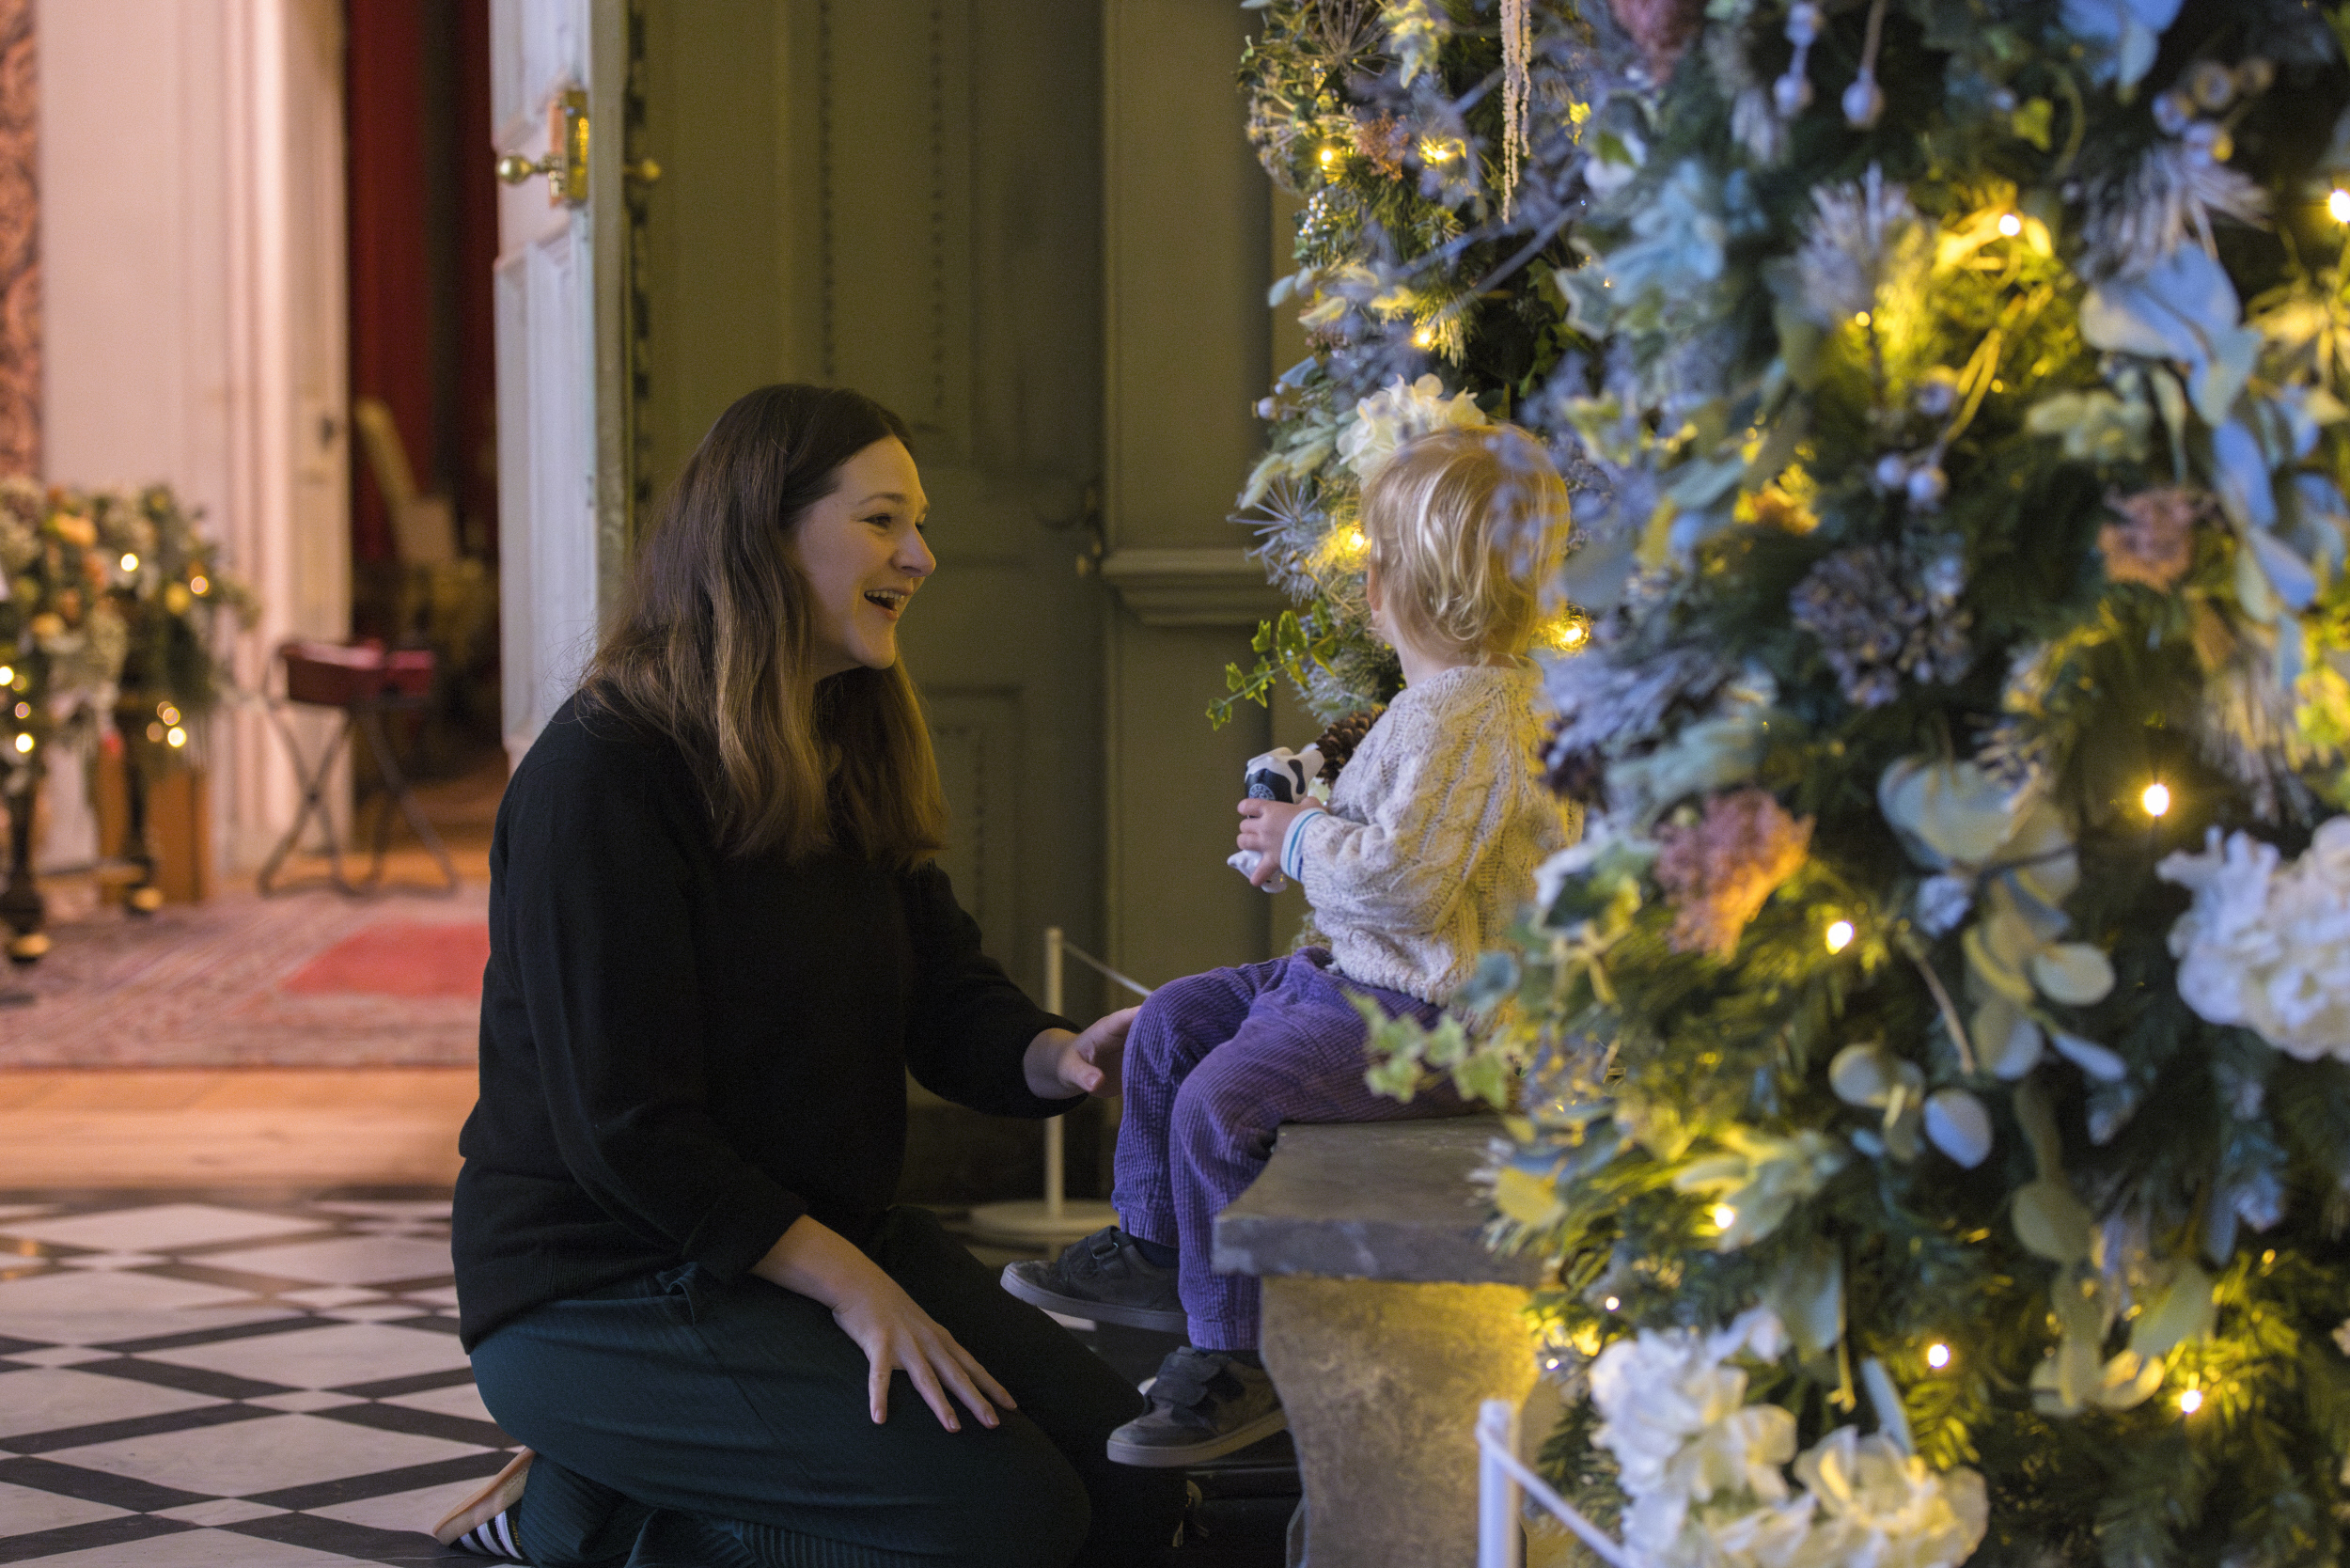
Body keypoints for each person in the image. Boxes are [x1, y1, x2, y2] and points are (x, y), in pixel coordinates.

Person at [432, 384, 1186, 1566]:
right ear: (761, 534)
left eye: (917, 523)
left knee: (1128, 1478)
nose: (923, 557)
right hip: (606, 1289)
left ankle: (631, 1478)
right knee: (1004, 1523)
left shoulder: (843, 740)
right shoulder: (603, 774)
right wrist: (855, 1290)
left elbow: (945, 998)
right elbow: (626, 1129)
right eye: (885, 520)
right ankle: (587, 1517)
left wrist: (1066, 1055)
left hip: (809, 1251)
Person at [1003, 423, 1576, 1466]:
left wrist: (1304, 839)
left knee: (1224, 1101)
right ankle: (1153, 1245)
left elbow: (1403, 884)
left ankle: (1236, 1356)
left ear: (1389, 587)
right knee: (1176, 1018)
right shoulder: (1439, 707)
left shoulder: (1477, 717)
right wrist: (1299, 829)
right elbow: (1393, 845)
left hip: (1432, 1016)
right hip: (1361, 973)